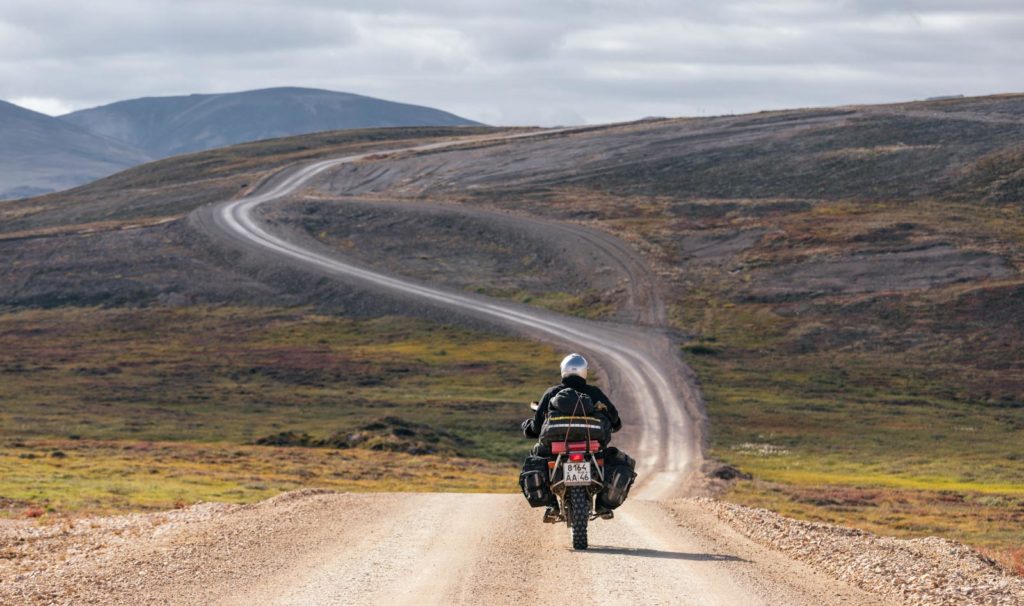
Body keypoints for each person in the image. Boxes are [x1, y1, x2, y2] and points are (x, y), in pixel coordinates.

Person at [522, 353, 622, 521]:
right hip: (592, 446)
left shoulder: (552, 392)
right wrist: (613, 423)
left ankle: (551, 504)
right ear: (584, 372)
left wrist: (528, 428)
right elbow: (615, 420)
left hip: (556, 448)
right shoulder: (594, 392)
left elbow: (538, 426)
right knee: (614, 459)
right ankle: (603, 505)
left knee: (537, 455)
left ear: (564, 371)